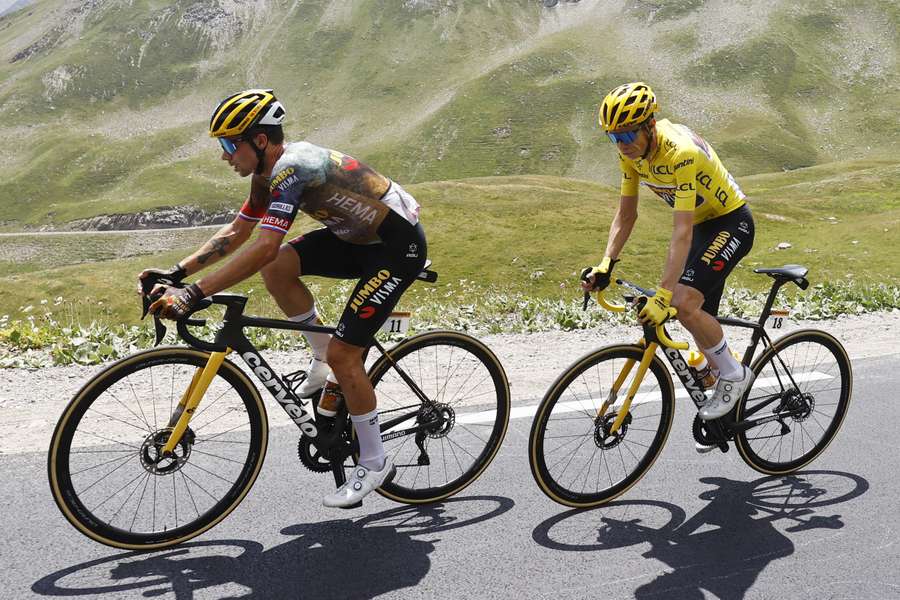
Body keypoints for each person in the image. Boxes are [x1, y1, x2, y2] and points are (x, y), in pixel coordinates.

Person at [139, 89, 425, 506]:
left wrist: (195, 293)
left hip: (396, 247)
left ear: (259, 140)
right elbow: (237, 233)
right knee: (280, 270)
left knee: (348, 355)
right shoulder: (264, 174)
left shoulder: (294, 168)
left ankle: (376, 462)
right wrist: (178, 273)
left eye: (227, 144)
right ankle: (322, 354)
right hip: (356, 238)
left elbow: (264, 245)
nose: (223, 156)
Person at [582, 82, 755, 436]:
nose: (624, 144)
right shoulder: (630, 155)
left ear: (649, 125)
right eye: (615, 137)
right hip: (706, 228)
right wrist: (605, 264)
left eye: (629, 133)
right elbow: (626, 215)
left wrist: (664, 294)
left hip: (730, 222)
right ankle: (720, 407)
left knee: (680, 301)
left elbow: (682, 232)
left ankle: (734, 375)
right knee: (689, 311)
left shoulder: (680, 153)